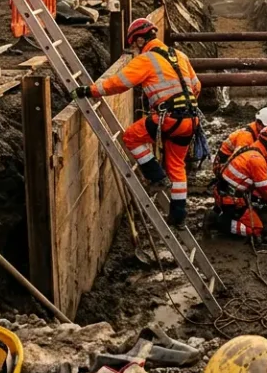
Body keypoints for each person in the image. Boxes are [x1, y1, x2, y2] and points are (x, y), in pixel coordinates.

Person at [74, 17, 200, 227]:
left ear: (141, 40)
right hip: (191, 120)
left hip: (168, 119)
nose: (134, 47)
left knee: (131, 137)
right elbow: (196, 86)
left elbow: (118, 83)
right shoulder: (180, 55)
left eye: (134, 43)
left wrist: (90, 90)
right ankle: (178, 215)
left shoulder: (146, 60)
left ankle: (156, 176)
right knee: (177, 166)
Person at [212, 126, 267, 238]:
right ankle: (216, 222)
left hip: (224, 192)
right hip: (231, 200)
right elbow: (265, 188)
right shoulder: (257, 159)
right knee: (255, 229)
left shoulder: (251, 150)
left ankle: (220, 214)